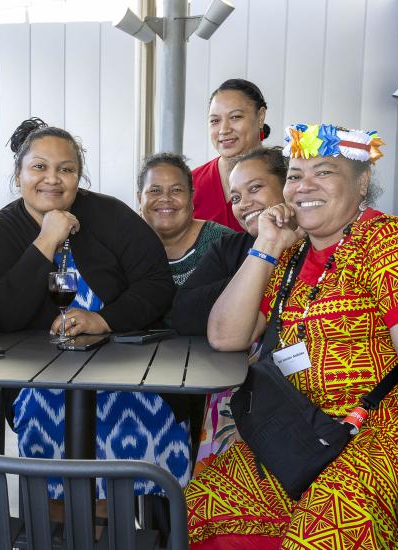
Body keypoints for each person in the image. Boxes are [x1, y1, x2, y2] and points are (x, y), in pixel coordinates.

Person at [187, 123, 398, 548]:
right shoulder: (288, 253)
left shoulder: (395, 242)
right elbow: (226, 336)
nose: (305, 187)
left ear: (362, 181)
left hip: (373, 436)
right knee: (201, 505)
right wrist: (266, 244)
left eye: (325, 172)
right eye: (296, 176)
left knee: (322, 533)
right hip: (294, 426)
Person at [0, 118, 185, 501]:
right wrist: (48, 238)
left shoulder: (110, 215)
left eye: (66, 169)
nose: (52, 179)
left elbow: (156, 284)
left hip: (124, 372)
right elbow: (3, 315)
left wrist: (103, 319)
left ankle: (116, 527)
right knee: (58, 490)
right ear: (18, 175)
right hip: (37, 380)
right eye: (39, 167)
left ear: (78, 177)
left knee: (133, 460)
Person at [170, 147, 288, 474]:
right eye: (235, 197)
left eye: (255, 188)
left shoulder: (315, 247)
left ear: (288, 186)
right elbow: (185, 314)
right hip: (235, 398)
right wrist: (252, 268)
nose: (244, 203)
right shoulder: (231, 248)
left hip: (302, 400)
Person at [137, 152, 233, 287]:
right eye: (154, 191)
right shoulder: (125, 246)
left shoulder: (224, 242)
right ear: (140, 199)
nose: (165, 198)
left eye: (176, 190)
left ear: (191, 196)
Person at [192, 78, 270, 232]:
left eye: (235, 117)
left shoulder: (285, 176)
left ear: (260, 117)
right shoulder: (191, 184)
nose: (224, 129)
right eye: (215, 121)